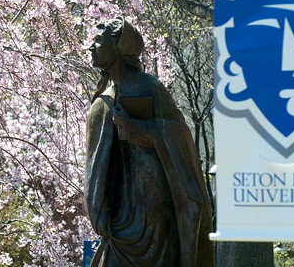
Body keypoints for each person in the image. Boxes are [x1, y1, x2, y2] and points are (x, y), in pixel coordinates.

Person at [85, 17, 215, 266]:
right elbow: (95, 166)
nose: (91, 47)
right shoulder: (102, 103)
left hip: (154, 214)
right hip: (118, 217)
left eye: (98, 41)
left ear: (119, 45)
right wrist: (99, 207)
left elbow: (181, 135)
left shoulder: (149, 87)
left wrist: (139, 128)